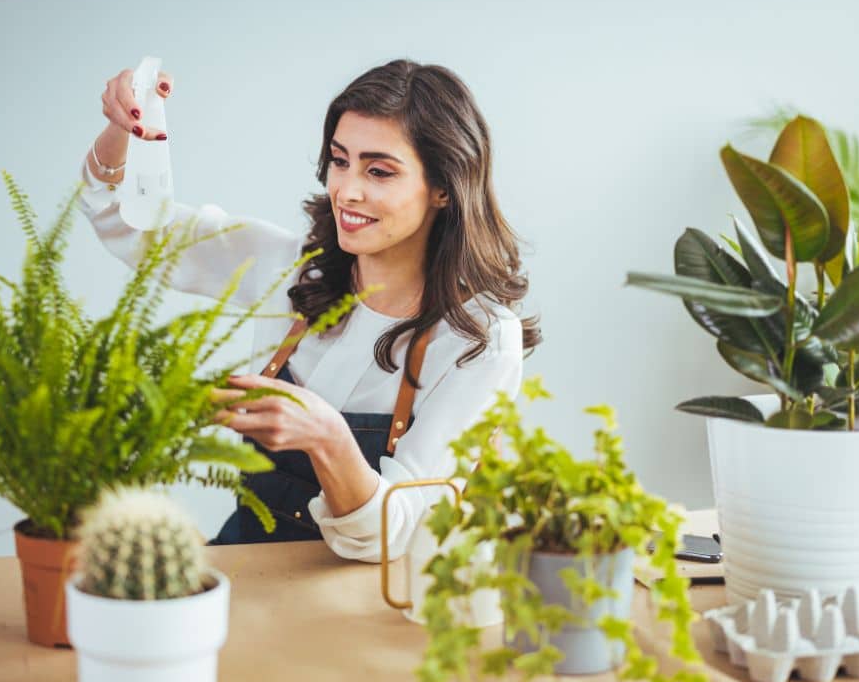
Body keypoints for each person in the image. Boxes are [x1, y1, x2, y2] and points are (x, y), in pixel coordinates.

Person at [77, 59, 540, 562]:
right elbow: (130, 227)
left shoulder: (481, 340)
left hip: (361, 608)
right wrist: (125, 128)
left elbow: (398, 533)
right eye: (340, 161)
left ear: (444, 187)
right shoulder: (293, 267)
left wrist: (328, 439)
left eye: (378, 170)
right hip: (246, 571)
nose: (347, 190)